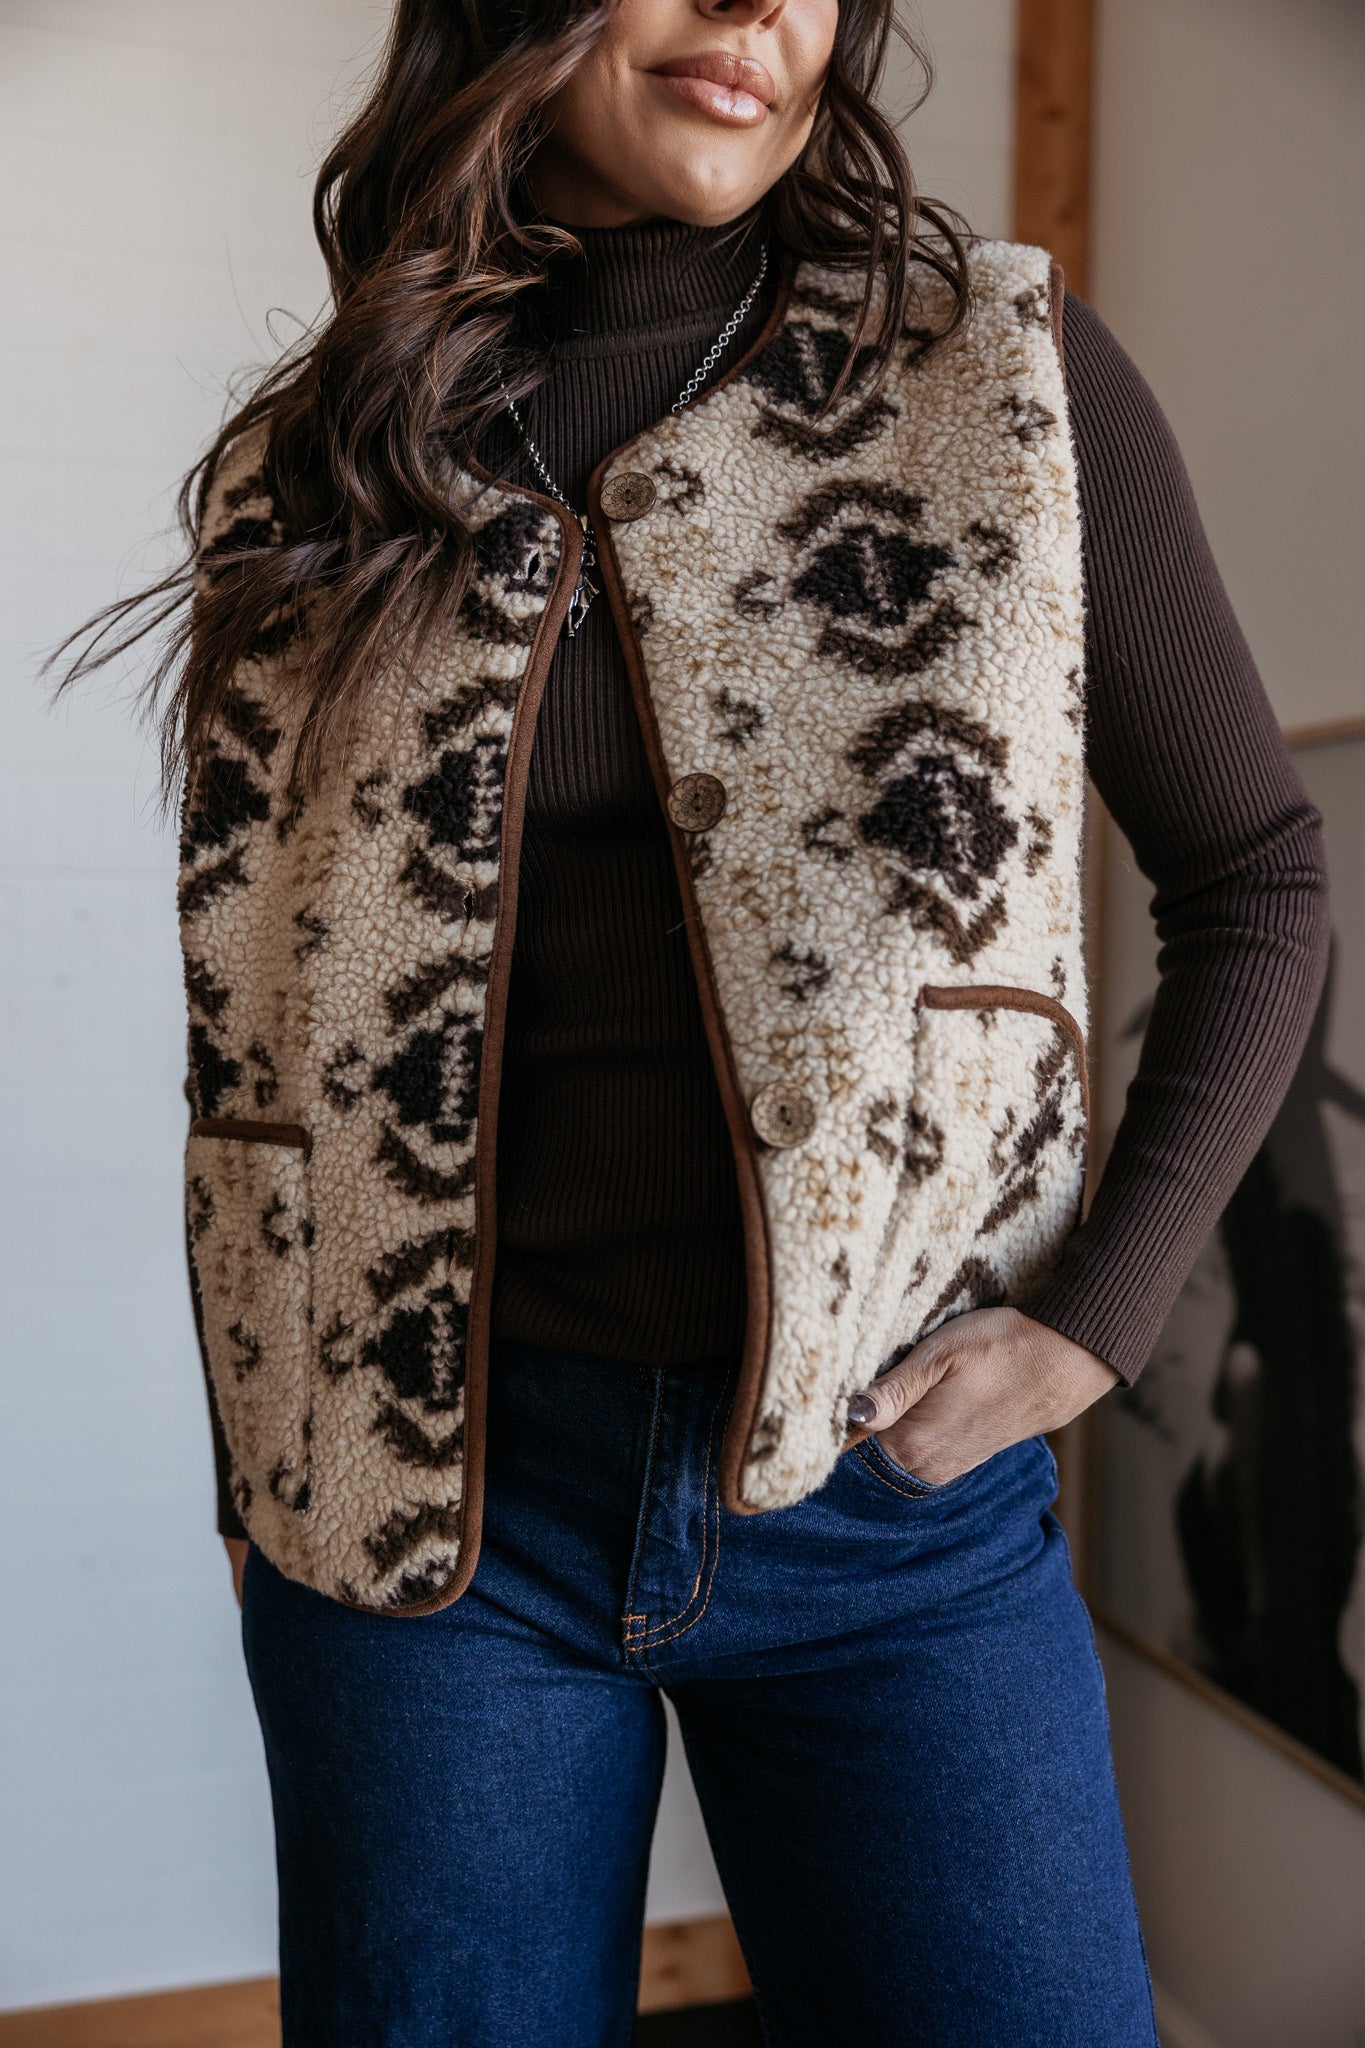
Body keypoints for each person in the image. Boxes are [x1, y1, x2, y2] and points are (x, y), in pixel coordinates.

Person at [60, 1, 1328, 2041]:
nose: (756, 10)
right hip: (422, 1523)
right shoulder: (321, 461)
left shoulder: (997, 379)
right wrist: (260, 1469)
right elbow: (253, 1030)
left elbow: (1257, 875)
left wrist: (1100, 1315)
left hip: (890, 1508)